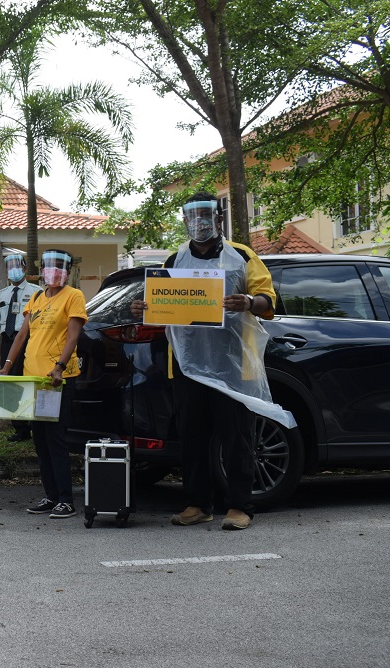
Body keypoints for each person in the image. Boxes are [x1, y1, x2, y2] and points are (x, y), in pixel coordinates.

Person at [130, 192, 285, 531]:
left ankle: (239, 507)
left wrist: (248, 301)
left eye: (206, 215)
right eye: (193, 216)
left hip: (232, 365)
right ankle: (198, 504)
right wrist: (142, 309)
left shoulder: (241, 256)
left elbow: (268, 300)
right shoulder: (173, 262)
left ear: (218, 218)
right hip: (187, 367)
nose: (199, 222)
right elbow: (160, 308)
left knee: (237, 438)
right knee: (193, 438)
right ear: (185, 221)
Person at [0, 249, 87, 519]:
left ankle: (66, 500)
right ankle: (50, 496)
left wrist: (59, 366)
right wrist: (7, 366)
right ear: (42, 269)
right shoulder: (36, 297)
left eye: (60, 267)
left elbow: (73, 337)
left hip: (56, 380)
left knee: (55, 439)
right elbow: (22, 335)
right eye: (50, 266)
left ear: (68, 272)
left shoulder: (73, 296)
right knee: (39, 440)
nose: (54, 271)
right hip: (32, 380)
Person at [0, 253, 42, 441]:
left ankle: (36, 425)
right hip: (7, 341)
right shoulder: (1, 294)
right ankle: (20, 429)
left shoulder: (37, 292)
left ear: (25, 268)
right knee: (11, 383)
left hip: (29, 340)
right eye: (10, 268)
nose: (14, 270)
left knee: (28, 380)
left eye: (17, 266)